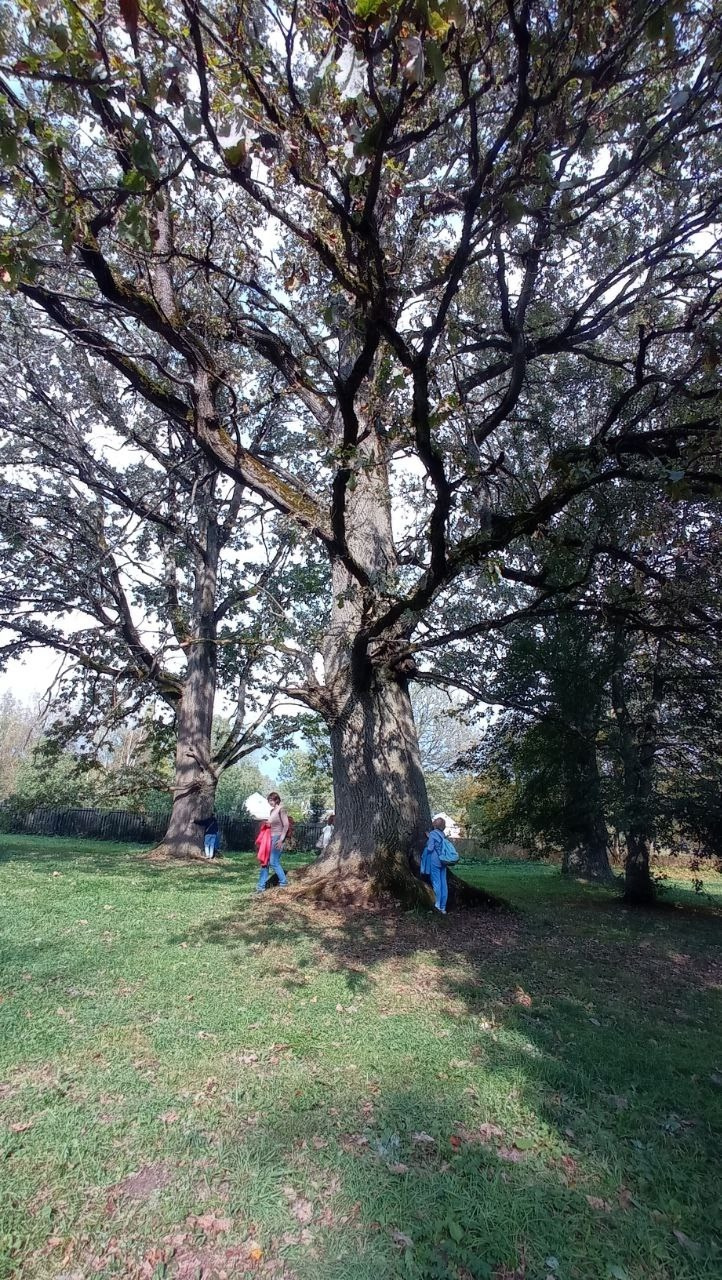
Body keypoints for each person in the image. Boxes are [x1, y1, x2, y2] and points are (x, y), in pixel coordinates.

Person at [256, 791, 289, 891]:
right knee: (265, 862)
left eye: (271, 800)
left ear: (276, 800)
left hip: (278, 838)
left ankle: (283, 882)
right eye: (269, 800)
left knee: (274, 861)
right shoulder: (272, 811)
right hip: (269, 838)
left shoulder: (281, 810)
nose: (270, 802)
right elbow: (270, 823)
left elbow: (286, 825)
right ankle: (260, 886)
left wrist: (281, 839)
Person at [421, 814, 452, 913]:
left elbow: (430, 848)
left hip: (435, 860)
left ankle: (437, 906)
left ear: (435, 825)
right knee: (443, 883)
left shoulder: (434, 833)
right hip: (443, 860)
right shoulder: (442, 834)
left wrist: (428, 839)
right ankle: (443, 907)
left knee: (436, 883)